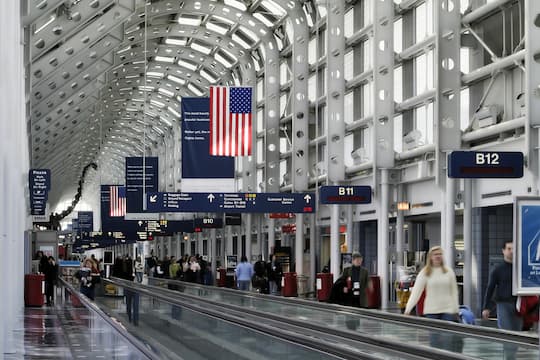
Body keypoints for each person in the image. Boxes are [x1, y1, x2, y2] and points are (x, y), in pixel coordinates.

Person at [405, 246, 460, 352]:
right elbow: (416, 291)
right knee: (435, 341)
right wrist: (408, 308)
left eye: (440, 254)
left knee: (447, 339)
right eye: (435, 254)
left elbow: (454, 292)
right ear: (430, 257)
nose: (438, 256)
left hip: (447, 310)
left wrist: (456, 309)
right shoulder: (425, 272)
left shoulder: (448, 272)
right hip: (432, 311)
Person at [482, 241, 522, 358]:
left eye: (514, 249)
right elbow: (490, 288)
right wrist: (486, 307)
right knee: (507, 334)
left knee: (517, 335)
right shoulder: (498, 269)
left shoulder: (520, 269)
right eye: (509, 249)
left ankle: (511, 357)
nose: (511, 251)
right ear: (503, 251)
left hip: (518, 304)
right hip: (503, 304)